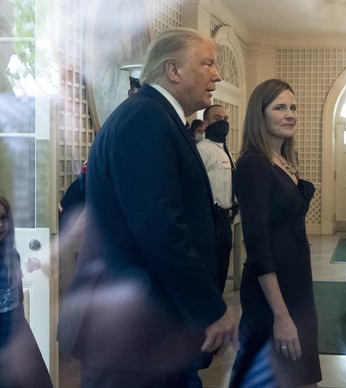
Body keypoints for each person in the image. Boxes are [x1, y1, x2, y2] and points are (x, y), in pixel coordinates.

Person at [57, 28, 238, 387]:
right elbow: (160, 229)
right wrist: (209, 308)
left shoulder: (156, 117)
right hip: (133, 332)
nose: (217, 74)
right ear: (173, 70)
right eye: (207, 63)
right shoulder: (146, 120)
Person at [229, 79, 321, 387]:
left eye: (293, 107)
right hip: (272, 291)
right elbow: (257, 246)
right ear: (260, 114)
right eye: (279, 107)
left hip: (295, 283)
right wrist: (280, 315)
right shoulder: (253, 164)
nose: (290, 114)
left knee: (294, 375)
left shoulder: (283, 161)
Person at [0, 195, 53, 387]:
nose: (0, 225)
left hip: (18, 340)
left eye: (3, 218)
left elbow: (18, 301)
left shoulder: (11, 255)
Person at [197, 104, 237, 293]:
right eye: (217, 119)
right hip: (210, 219)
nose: (223, 123)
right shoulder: (202, 150)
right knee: (210, 270)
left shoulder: (226, 151)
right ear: (206, 123)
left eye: (226, 119)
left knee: (222, 268)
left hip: (225, 220)